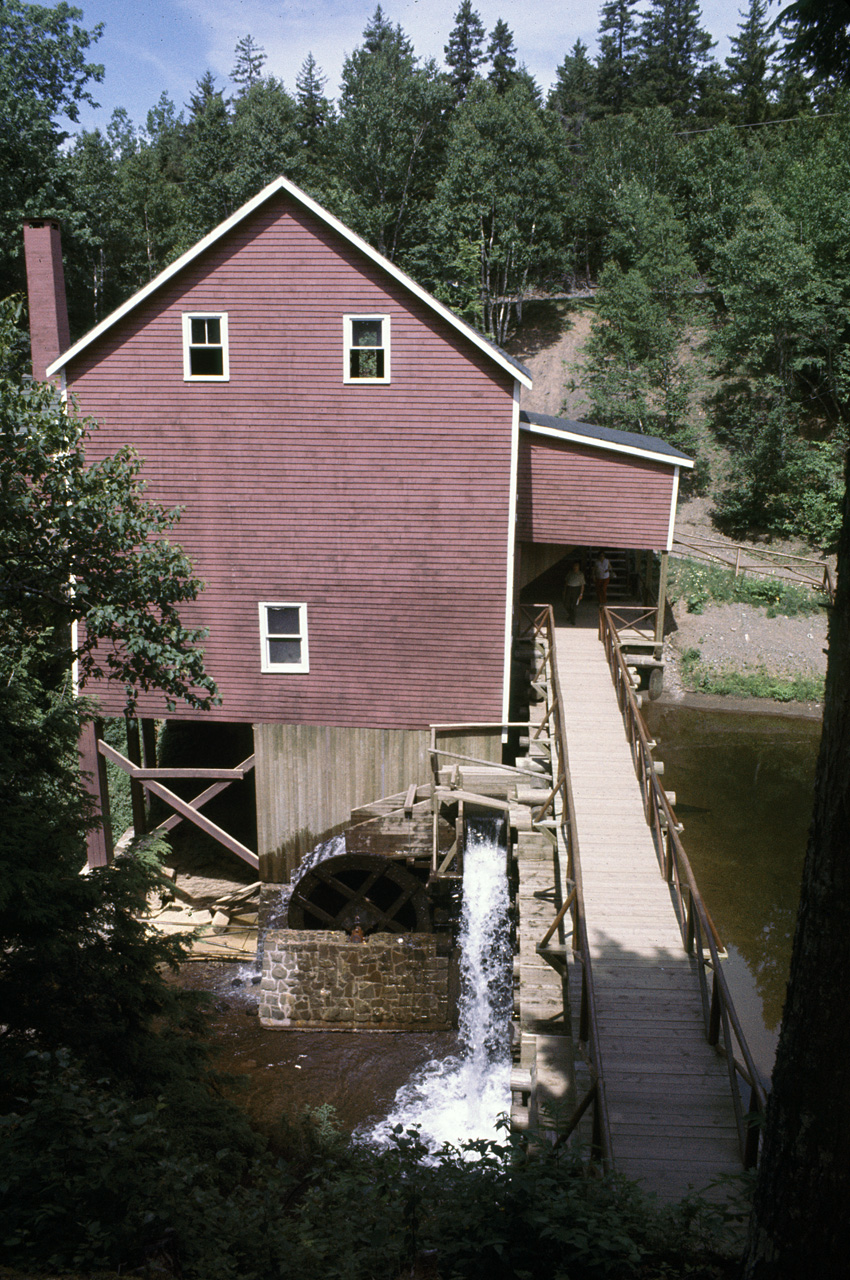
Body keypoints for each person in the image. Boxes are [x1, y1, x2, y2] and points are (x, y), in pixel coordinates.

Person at [563, 560, 585, 625]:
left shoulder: (581, 574)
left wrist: (581, 594)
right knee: (566, 604)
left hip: (576, 589)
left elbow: (582, 585)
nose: (575, 567)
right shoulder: (570, 573)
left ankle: (573, 619)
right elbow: (566, 582)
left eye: (577, 566)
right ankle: (571, 614)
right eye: (574, 566)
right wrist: (564, 591)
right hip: (569, 588)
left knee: (574, 605)